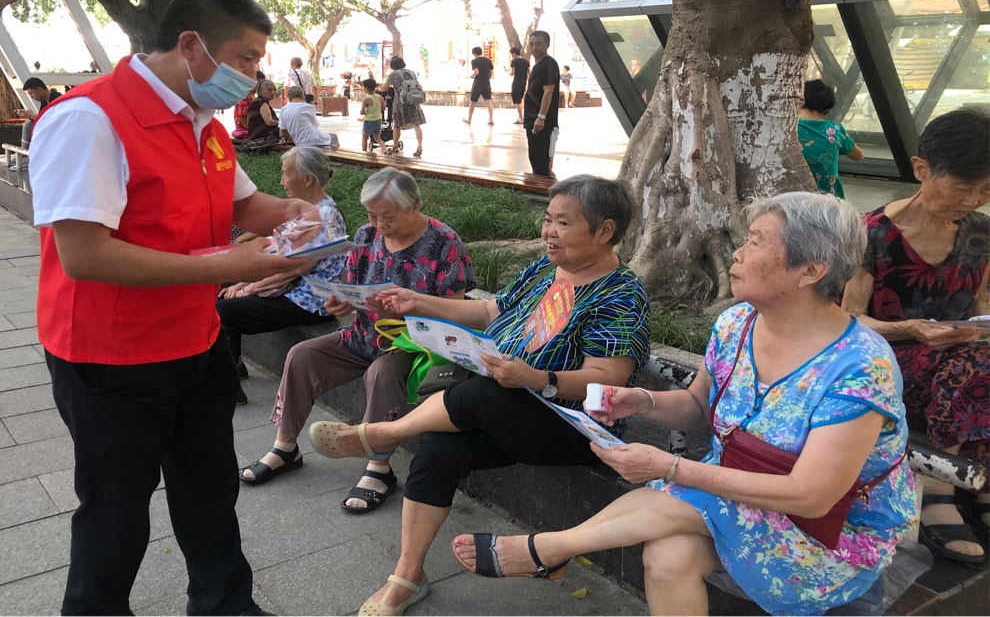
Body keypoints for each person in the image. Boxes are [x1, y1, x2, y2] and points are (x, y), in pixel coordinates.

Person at [453, 192, 916, 617]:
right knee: (667, 556)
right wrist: (640, 401)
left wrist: (670, 467)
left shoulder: (860, 366)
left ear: (811, 271)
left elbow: (812, 497)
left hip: (829, 530)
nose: (737, 253)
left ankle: (549, 550)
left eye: (756, 242)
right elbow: (698, 404)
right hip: (739, 495)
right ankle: (550, 551)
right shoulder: (737, 324)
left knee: (687, 495)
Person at [28, 0, 310, 617]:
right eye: (245, 58)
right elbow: (85, 254)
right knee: (116, 509)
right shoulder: (89, 119)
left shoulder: (204, 124)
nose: (252, 77)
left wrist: (293, 211)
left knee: (209, 490)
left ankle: (225, 606)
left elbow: (245, 205)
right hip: (111, 356)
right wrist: (227, 266)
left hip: (196, 340)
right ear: (191, 46)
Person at [309, 175, 650, 617]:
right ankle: (407, 577)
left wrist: (537, 378)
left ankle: (382, 434)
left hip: (571, 425)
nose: (548, 232)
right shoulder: (545, 269)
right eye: (548, 219)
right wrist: (417, 302)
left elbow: (608, 377)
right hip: (508, 403)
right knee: (439, 445)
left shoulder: (622, 294)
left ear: (605, 231)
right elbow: (490, 311)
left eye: (563, 223)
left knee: (484, 393)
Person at [241, 168, 475, 514]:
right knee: (302, 355)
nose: (379, 224)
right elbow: (352, 287)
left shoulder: (444, 242)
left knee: (381, 372)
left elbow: (455, 311)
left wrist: (406, 310)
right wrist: (342, 302)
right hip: (364, 334)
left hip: (413, 346)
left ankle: (379, 468)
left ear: (414, 206)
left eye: (388, 216)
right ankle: (285, 447)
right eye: (372, 215)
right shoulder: (367, 235)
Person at [843, 107, 990, 563]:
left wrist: (977, 329)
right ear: (921, 169)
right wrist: (910, 328)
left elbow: (980, 304)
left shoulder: (981, 232)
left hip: (960, 361)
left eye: (986, 190)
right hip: (885, 361)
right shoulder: (872, 235)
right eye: (963, 188)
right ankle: (940, 487)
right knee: (974, 364)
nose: (974, 200)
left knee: (976, 361)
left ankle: (979, 480)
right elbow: (848, 322)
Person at [217, 147, 346, 405]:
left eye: (286, 174)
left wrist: (249, 288)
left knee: (225, 311)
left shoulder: (323, 216)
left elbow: (295, 269)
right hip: (292, 288)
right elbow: (280, 252)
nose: (281, 181)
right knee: (224, 284)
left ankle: (228, 389)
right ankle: (235, 365)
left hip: (309, 299)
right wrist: (243, 281)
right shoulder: (307, 209)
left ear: (307, 178)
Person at [798, 79, 864, 198]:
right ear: (825, 109)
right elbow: (859, 156)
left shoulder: (785, 128)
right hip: (828, 198)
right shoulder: (835, 131)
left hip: (793, 194)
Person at [524, 31, 560, 176]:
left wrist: (541, 117)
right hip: (532, 120)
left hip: (542, 122)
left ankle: (547, 189)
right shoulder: (538, 65)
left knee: (541, 163)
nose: (534, 47)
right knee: (536, 160)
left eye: (538, 44)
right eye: (531, 44)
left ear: (547, 45)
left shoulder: (548, 64)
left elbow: (548, 92)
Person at [380, 57, 426, 157]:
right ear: (402, 64)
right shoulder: (411, 72)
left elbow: (384, 88)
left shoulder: (393, 75)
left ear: (392, 66)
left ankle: (395, 146)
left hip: (400, 102)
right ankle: (419, 146)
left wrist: (379, 88)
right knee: (416, 124)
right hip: (413, 100)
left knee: (396, 125)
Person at [17, 77, 63, 152]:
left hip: (59, 130)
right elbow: (41, 119)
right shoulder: (44, 101)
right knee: (28, 124)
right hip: (49, 128)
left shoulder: (57, 99)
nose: (31, 97)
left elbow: (52, 121)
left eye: (31, 93)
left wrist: (31, 115)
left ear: (39, 89)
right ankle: (23, 153)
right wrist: (28, 115)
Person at [463, 46, 494, 126]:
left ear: (474, 53)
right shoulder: (488, 61)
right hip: (486, 83)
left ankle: (469, 119)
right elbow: (491, 73)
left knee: (472, 102)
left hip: (477, 84)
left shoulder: (474, 61)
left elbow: (476, 71)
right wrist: (487, 78)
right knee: (488, 102)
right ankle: (491, 119)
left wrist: (472, 75)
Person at [360, 77, 389, 153]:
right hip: (378, 120)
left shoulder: (366, 100)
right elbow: (384, 108)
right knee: (377, 138)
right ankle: (384, 149)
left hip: (369, 120)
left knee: (364, 137)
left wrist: (368, 111)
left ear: (366, 89)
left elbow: (361, 112)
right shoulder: (380, 97)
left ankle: (364, 152)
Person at [510, 46, 529, 124]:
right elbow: (530, 72)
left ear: (514, 54)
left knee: (517, 101)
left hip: (516, 82)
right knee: (521, 99)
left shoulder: (514, 61)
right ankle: (521, 117)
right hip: (523, 83)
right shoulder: (526, 61)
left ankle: (521, 118)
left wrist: (508, 71)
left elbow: (512, 73)